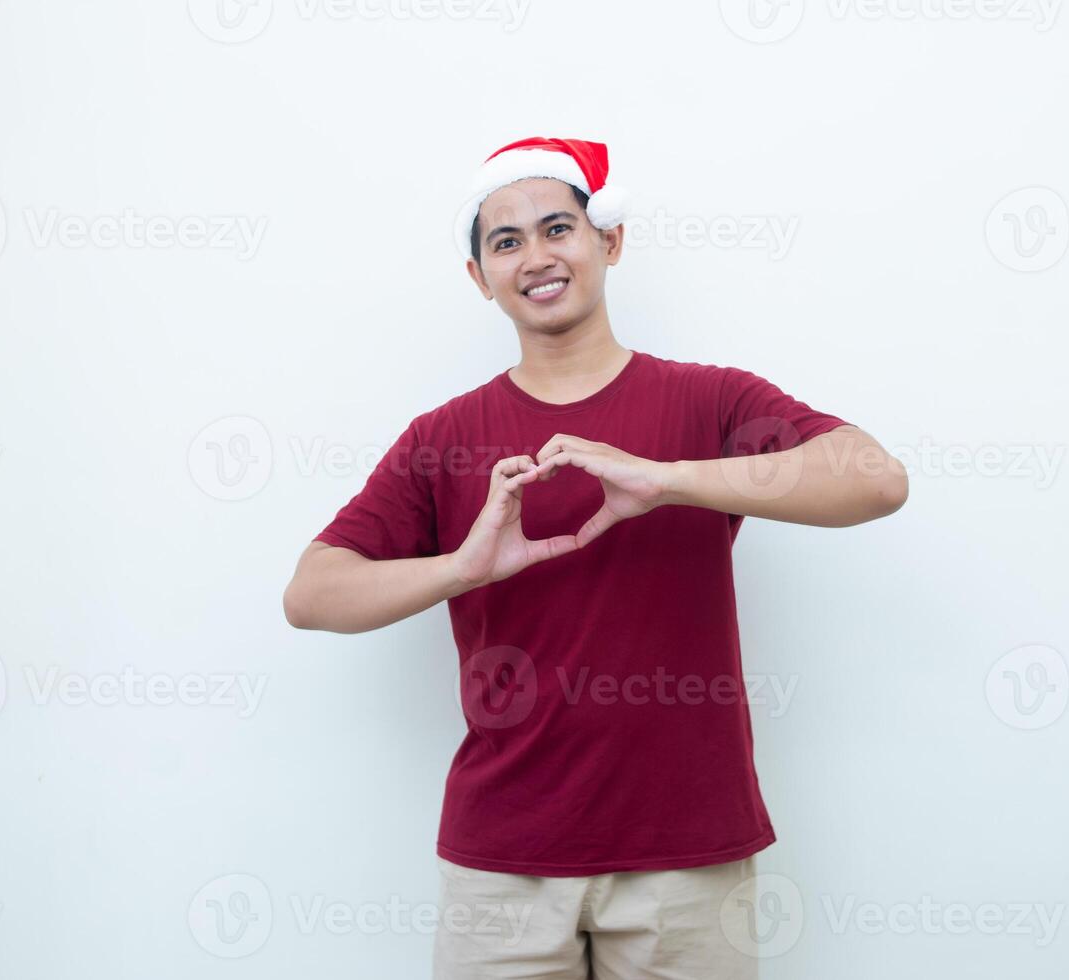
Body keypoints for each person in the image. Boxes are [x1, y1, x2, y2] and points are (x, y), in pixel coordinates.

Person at [283, 136, 908, 979]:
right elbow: (312, 593)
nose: (536, 258)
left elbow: (875, 479)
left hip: (687, 857)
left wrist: (668, 479)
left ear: (607, 242)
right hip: (502, 865)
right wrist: (460, 568)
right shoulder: (441, 438)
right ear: (480, 278)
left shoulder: (709, 398)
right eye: (505, 242)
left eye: (557, 229)